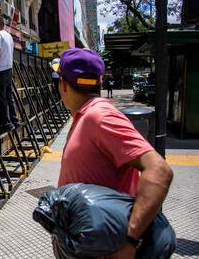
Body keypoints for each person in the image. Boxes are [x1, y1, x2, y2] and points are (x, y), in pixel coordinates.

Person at [57, 48, 173, 258]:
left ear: (63, 85)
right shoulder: (85, 115)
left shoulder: (100, 116)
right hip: (85, 243)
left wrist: (130, 240)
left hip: (104, 248)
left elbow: (159, 169)